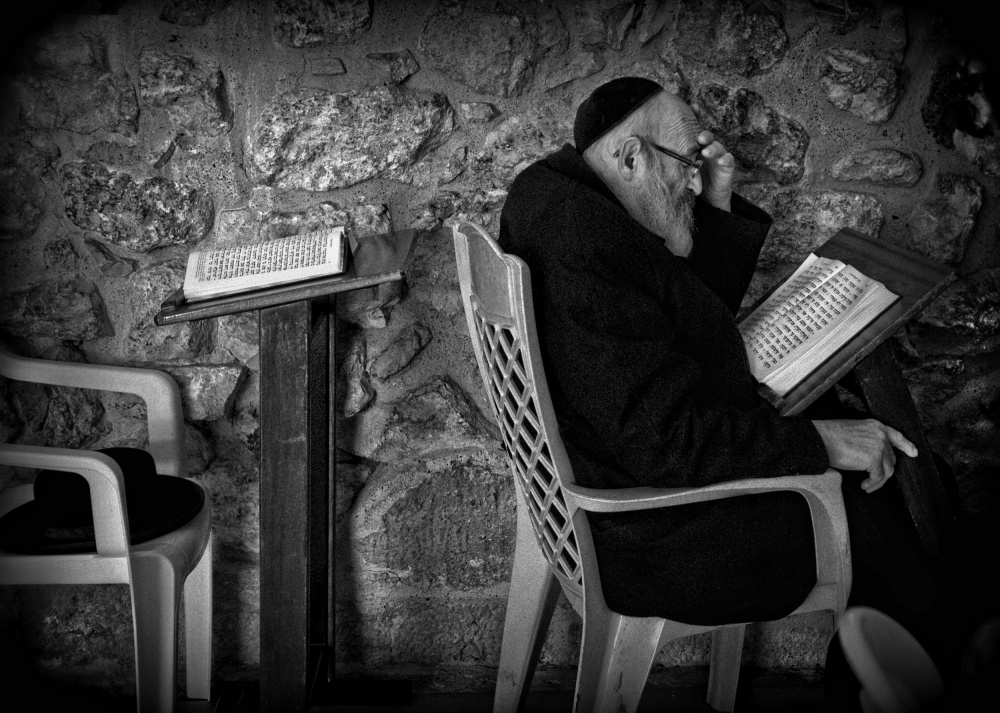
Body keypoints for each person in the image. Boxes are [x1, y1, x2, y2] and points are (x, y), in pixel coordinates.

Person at [498, 76, 926, 627]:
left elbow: (671, 316)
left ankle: (892, 665)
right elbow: (665, 440)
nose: (694, 186)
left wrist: (718, 204)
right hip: (662, 539)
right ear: (631, 157)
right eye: (686, 165)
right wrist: (821, 442)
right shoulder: (585, 243)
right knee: (895, 486)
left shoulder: (555, 194)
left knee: (874, 451)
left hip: (635, 491)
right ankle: (907, 673)